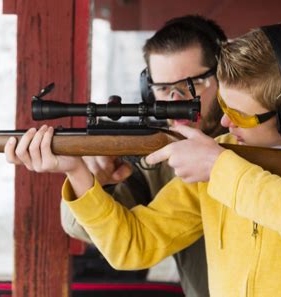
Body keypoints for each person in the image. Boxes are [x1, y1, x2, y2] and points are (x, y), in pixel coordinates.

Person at [5, 24, 281, 297]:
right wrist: (77, 171)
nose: (224, 123)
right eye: (224, 107)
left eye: (240, 115)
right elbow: (134, 245)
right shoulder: (223, 152)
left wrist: (220, 168)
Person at [60, 15, 227, 297]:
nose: (176, 101)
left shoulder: (258, 138)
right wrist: (93, 181)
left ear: (224, 77)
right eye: (164, 89)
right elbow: (93, 233)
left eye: (191, 85)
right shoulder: (155, 152)